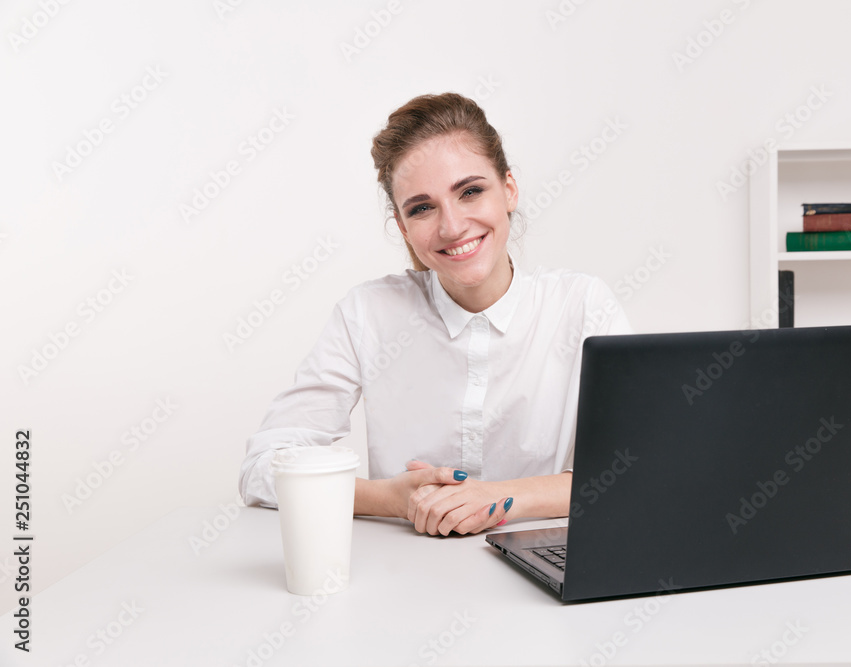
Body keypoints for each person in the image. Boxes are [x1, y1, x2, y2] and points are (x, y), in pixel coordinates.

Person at [239, 92, 631, 536]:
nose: (452, 226)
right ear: (403, 226)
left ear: (509, 190)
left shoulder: (582, 306)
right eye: (422, 207)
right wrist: (390, 498)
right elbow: (261, 469)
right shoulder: (368, 313)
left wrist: (498, 499)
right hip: (403, 576)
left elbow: (638, 470)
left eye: (470, 191)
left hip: (544, 575)